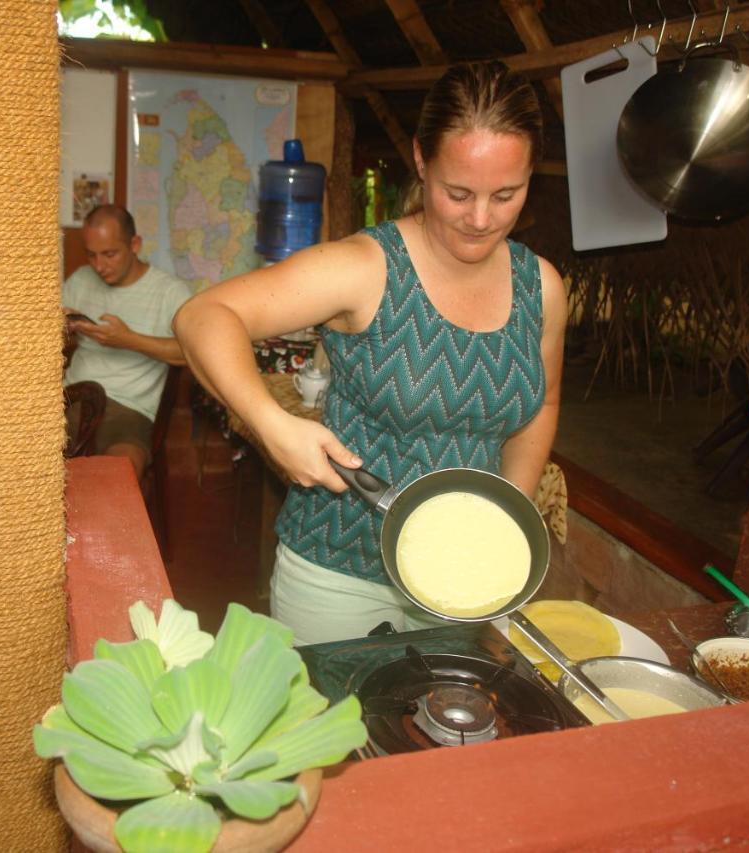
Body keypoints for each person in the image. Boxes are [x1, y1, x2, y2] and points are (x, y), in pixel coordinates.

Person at [173, 62, 567, 645]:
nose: (481, 219)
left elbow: (543, 404)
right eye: (457, 192)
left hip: (458, 581)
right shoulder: (365, 269)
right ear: (420, 160)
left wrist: (501, 527)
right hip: (339, 574)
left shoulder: (543, 287)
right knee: (332, 734)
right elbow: (202, 317)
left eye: (506, 194)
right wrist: (272, 422)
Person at [63, 205, 192, 479]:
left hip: (128, 412)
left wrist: (129, 340)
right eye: (91, 255)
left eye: (110, 254)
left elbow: (191, 353)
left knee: (117, 478)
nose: (99, 266)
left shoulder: (170, 292)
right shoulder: (80, 281)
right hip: (71, 399)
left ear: (135, 244)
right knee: (12, 453)